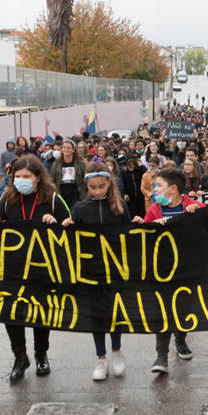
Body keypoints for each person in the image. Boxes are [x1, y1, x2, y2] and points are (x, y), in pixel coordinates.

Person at [0, 155, 71, 383]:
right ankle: (19, 356)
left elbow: (71, 227)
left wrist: (55, 222)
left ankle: (41, 354)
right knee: (12, 314)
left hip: (42, 269)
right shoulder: (6, 200)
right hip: (12, 268)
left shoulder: (52, 199)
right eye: (17, 177)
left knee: (40, 314)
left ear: (37, 178)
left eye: (26, 177)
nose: (21, 180)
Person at [133, 168, 207, 374]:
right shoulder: (154, 211)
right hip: (163, 270)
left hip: (187, 269)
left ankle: (181, 341)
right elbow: (144, 241)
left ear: (174, 189)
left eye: (159, 186)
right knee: (162, 312)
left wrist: (201, 212)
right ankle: (161, 355)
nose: (155, 190)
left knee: (184, 308)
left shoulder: (193, 207)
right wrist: (146, 227)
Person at [62, 163, 130, 380]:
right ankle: (101, 358)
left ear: (109, 183)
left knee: (115, 313)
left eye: (101, 186)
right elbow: (71, 240)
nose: (97, 191)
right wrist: (68, 225)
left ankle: (117, 352)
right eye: (92, 187)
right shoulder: (81, 209)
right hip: (90, 270)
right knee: (96, 314)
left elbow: (129, 235)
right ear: (86, 186)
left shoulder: (119, 207)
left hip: (115, 269)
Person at [51, 140, 87, 207]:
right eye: (64, 147)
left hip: (77, 193)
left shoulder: (81, 163)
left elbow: (85, 178)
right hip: (62, 192)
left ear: (73, 150)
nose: (66, 149)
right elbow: (53, 179)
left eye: (68, 148)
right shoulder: (56, 164)